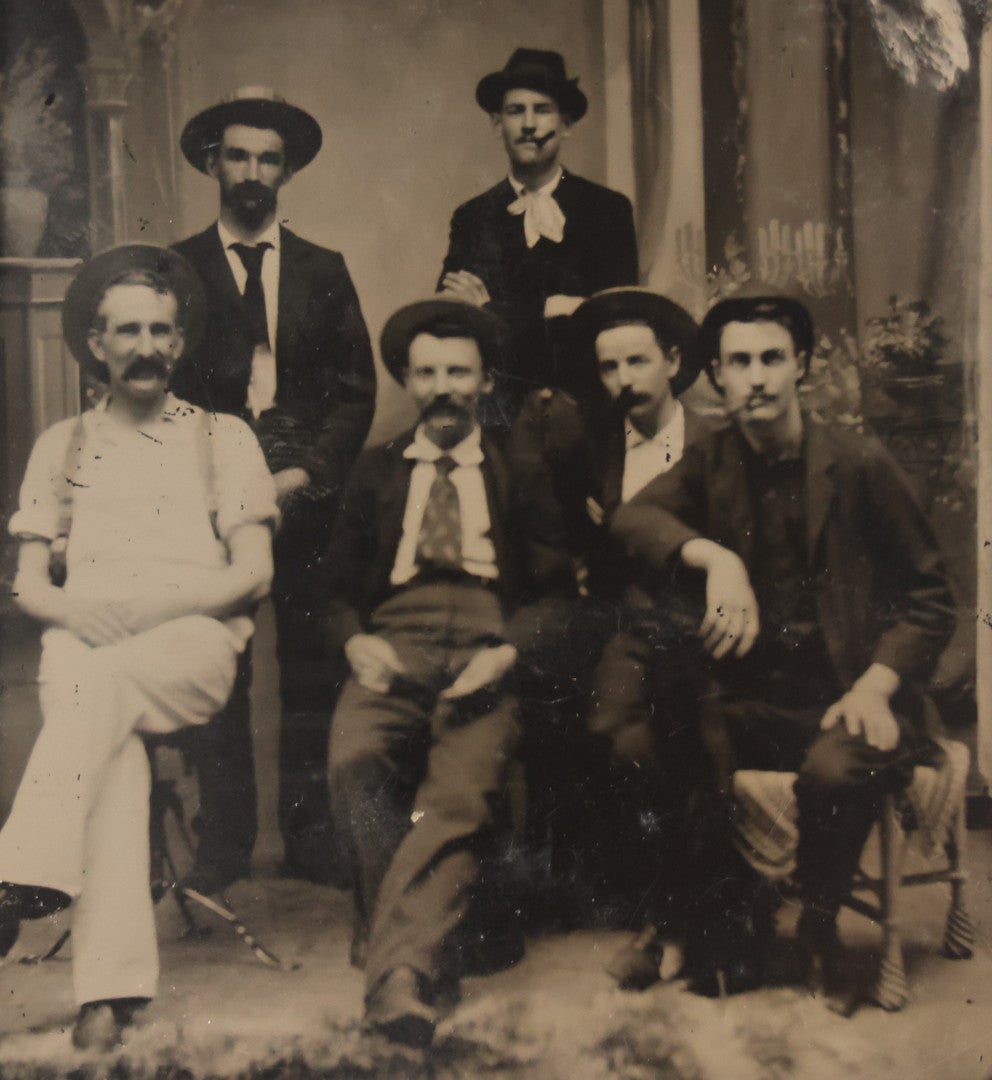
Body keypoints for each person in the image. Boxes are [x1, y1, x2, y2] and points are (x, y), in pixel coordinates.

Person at [611, 289, 956, 997]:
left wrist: (878, 683)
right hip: (760, 699)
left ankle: (818, 928)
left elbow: (930, 600)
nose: (758, 377)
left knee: (832, 772)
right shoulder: (714, 461)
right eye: (739, 362)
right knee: (658, 737)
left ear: (802, 365)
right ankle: (716, 924)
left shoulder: (859, 465)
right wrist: (716, 559)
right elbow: (634, 519)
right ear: (716, 376)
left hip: (853, 697)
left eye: (773, 358)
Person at [0, 245, 277, 1050]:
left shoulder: (220, 438)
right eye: (127, 330)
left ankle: (18, 875)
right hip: (88, 648)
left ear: (181, 344)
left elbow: (252, 573)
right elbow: (28, 587)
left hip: (189, 644)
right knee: (107, 748)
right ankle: (108, 995)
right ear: (95, 343)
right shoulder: (63, 445)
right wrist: (81, 615)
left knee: (93, 703)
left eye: (161, 330)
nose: (146, 346)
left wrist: (154, 604)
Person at [324, 298, 573, 1048]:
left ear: (484, 380)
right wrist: (354, 644)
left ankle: (398, 973)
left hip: (483, 643)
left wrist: (509, 653)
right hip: (395, 640)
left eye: (458, 372)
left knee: (461, 791)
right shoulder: (374, 472)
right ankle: (421, 946)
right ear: (406, 379)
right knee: (353, 758)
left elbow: (559, 589)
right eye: (426, 372)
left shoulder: (518, 468)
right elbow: (332, 590)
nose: (442, 387)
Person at [172, 87, 376, 891]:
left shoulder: (324, 270)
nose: (252, 172)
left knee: (311, 662)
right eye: (238, 156)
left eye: (267, 158)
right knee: (220, 661)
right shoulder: (178, 269)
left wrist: (306, 474)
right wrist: (219, 479)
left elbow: (356, 389)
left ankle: (308, 833)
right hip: (209, 493)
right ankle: (223, 840)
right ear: (212, 164)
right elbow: (167, 387)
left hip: (305, 491)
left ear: (285, 171)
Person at [507, 287, 713, 951]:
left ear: (673, 360)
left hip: (700, 622)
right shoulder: (593, 449)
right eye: (608, 367)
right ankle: (599, 879)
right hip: (620, 618)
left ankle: (686, 880)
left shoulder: (715, 442)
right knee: (549, 680)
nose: (624, 380)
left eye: (638, 362)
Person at [439, 48, 638, 419]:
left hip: (588, 414)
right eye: (516, 111)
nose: (529, 124)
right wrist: (554, 309)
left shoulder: (607, 210)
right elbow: (455, 320)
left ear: (566, 123)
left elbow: (611, 323)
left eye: (542, 110)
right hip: (498, 417)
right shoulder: (472, 217)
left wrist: (494, 311)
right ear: (497, 124)